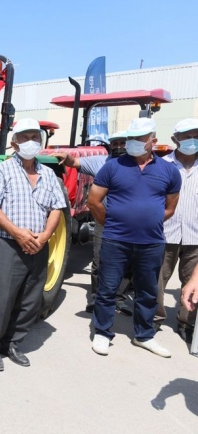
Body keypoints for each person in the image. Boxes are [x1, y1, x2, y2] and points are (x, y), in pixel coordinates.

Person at [87, 118, 181, 357]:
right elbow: (94, 201)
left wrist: (148, 222)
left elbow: (170, 208)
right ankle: (102, 332)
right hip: (115, 240)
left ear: (153, 141)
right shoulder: (113, 166)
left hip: (151, 242)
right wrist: (110, 224)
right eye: (131, 138)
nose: (134, 143)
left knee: (148, 290)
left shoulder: (169, 170)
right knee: (107, 288)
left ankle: (144, 335)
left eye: (140, 139)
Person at [0, 118, 67, 371]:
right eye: (25, 137)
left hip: (39, 245)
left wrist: (45, 236)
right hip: (9, 244)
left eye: (36, 137)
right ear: (14, 142)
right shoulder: (2, 171)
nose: (31, 141)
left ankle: (13, 343)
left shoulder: (48, 173)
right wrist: (18, 233)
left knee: (31, 298)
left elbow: (56, 209)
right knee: (1, 297)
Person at [52, 132, 133, 315]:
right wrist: (66, 156)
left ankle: (119, 298)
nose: (119, 146)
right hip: (104, 218)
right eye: (115, 143)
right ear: (110, 146)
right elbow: (75, 163)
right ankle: (97, 298)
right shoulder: (101, 161)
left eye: (123, 143)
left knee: (127, 261)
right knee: (99, 259)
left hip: (130, 222)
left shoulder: (138, 164)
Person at [155, 118, 198, 342]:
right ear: (175, 139)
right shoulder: (161, 165)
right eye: (187, 136)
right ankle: (154, 319)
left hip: (195, 237)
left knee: (193, 283)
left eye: (196, 136)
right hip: (165, 234)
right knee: (157, 280)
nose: (193, 140)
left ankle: (186, 323)